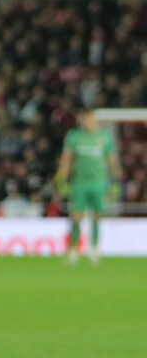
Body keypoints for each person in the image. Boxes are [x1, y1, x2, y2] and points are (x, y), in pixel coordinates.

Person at [55, 108, 121, 264]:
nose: (88, 122)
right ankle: (73, 250)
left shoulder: (104, 137)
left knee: (97, 216)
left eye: (91, 119)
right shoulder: (74, 136)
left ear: (95, 121)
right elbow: (67, 159)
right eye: (85, 119)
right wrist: (61, 179)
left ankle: (95, 249)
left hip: (99, 182)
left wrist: (116, 181)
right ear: (82, 121)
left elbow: (111, 160)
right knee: (76, 216)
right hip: (80, 182)